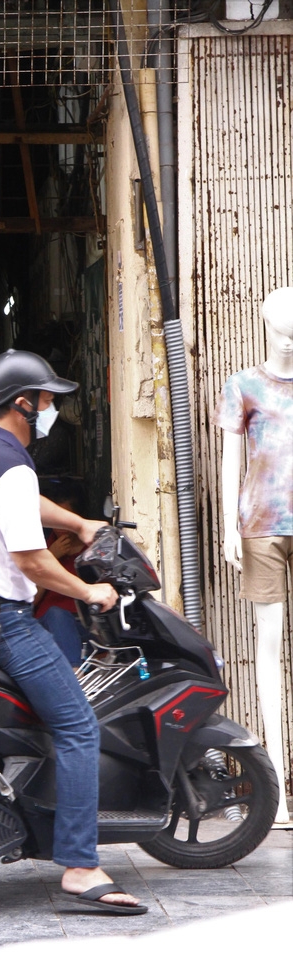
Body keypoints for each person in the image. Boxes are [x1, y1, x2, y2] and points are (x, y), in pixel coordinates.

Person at [0, 348, 148, 914]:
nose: (52, 410)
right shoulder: (13, 464)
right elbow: (31, 560)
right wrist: (91, 590)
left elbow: (23, 506)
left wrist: (77, 522)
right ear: (23, 403)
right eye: (47, 400)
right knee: (77, 726)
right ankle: (79, 864)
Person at [213, 286, 293, 826]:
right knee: (267, 653)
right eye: (282, 321)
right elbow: (228, 460)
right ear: (266, 323)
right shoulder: (242, 384)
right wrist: (226, 526)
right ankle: (279, 793)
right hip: (261, 527)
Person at [33, 479, 90, 667]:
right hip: (47, 623)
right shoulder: (42, 548)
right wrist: (51, 558)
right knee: (57, 614)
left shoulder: (92, 551)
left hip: (83, 625)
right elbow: (30, 601)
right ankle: (75, 673)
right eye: (56, 521)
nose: (60, 528)